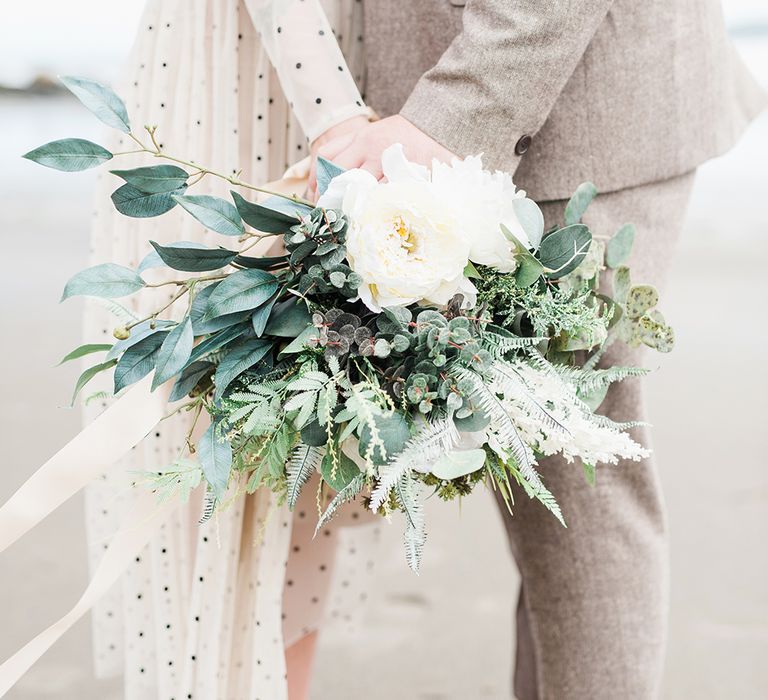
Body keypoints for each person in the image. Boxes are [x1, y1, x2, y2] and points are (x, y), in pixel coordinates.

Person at [307, 1, 766, 698]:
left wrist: (446, 118)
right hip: (513, 104)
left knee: (581, 503)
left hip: (575, 116)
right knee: (549, 517)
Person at [83, 2, 377, 699]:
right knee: (223, 458)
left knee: (302, 474)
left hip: (339, 87)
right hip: (244, 94)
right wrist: (340, 123)